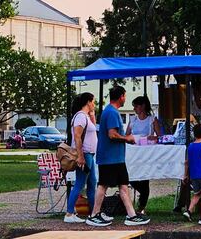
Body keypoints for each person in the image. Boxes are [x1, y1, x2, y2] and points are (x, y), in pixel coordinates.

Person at [85, 86, 148, 227]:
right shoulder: (112, 112)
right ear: (121, 97)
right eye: (125, 96)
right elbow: (112, 134)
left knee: (123, 186)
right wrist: (128, 138)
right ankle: (94, 215)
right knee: (103, 185)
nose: (125, 98)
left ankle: (131, 215)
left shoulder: (111, 111)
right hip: (110, 157)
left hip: (117, 158)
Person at [64, 92, 97, 224]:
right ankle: (69, 213)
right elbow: (77, 136)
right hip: (85, 154)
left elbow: (94, 128)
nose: (94, 104)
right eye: (93, 101)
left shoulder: (86, 117)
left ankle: (94, 212)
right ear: (88, 102)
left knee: (92, 182)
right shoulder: (80, 117)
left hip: (90, 154)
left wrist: (92, 114)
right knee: (80, 183)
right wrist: (81, 156)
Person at [125, 95, 161, 215]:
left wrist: (153, 137)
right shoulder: (132, 120)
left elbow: (159, 136)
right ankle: (141, 196)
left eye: (136, 106)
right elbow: (126, 136)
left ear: (143, 106)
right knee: (131, 177)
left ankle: (142, 206)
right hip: (133, 153)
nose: (134, 108)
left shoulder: (152, 119)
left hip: (146, 154)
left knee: (145, 179)